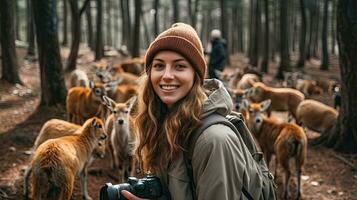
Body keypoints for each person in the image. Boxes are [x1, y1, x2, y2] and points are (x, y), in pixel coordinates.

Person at [122, 23, 251, 200]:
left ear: (195, 76)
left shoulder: (213, 141)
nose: (166, 75)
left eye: (179, 66)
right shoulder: (164, 125)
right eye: (159, 66)